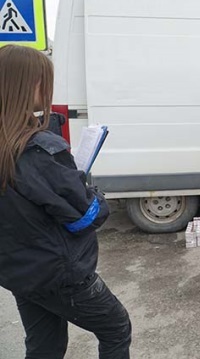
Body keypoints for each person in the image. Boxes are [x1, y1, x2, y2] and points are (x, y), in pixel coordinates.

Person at [0, 45, 131, 358]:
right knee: (116, 327)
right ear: (28, 86)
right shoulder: (39, 150)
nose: (48, 89)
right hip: (58, 273)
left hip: (19, 270)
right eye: (44, 81)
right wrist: (91, 192)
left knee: (44, 346)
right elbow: (85, 215)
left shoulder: (11, 143)